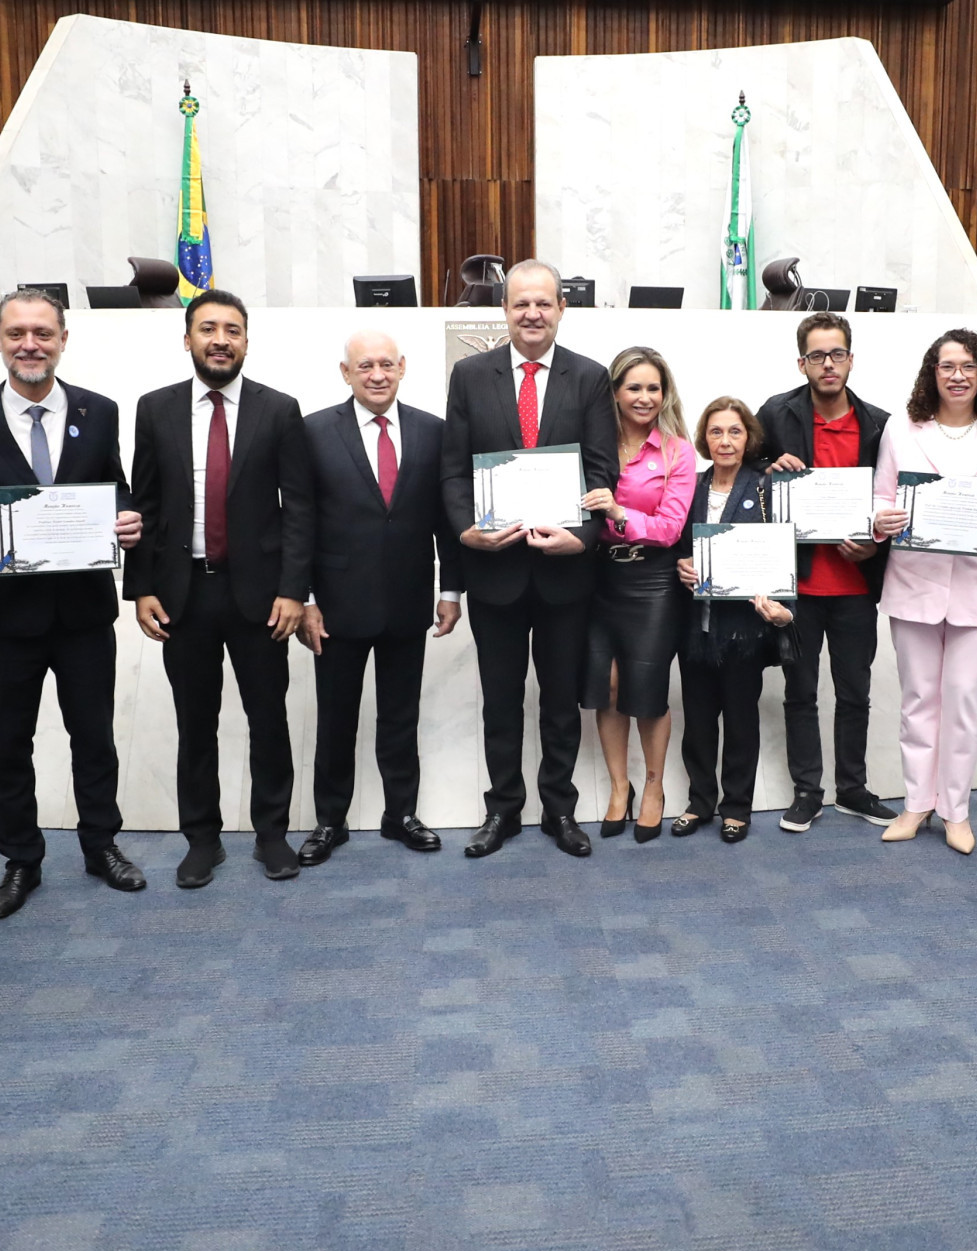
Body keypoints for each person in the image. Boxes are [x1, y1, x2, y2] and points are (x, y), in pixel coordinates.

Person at [0, 289, 148, 920]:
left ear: (63, 340)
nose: (31, 344)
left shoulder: (99, 411)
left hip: (83, 612)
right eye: (18, 333)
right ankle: (21, 859)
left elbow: (117, 486)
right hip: (4, 617)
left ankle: (101, 844)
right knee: (8, 742)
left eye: (43, 333)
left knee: (94, 736)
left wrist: (127, 516)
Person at [125, 289, 316, 888]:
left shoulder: (279, 410)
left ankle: (272, 836)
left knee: (269, 719)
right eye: (207, 328)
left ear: (246, 342)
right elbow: (145, 506)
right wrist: (141, 588)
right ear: (187, 338)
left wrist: (294, 590)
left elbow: (299, 509)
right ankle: (201, 840)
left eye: (232, 330)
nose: (220, 339)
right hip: (185, 594)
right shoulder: (154, 409)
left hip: (260, 596)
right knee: (195, 722)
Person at [439, 259, 617, 858]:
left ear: (561, 309)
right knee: (501, 700)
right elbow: (454, 469)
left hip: (566, 571)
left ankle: (560, 810)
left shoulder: (590, 378)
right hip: (496, 572)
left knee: (560, 701)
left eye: (544, 304)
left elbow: (602, 471)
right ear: (505, 311)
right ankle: (503, 811)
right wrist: (466, 531)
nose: (533, 314)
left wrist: (586, 536)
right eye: (521, 304)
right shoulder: (469, 375)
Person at [296, 329, 460, 864]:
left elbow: (446, 520)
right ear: (346, 373)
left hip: (408, 601)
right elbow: (300, 522)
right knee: (335, 718)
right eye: (364, 366)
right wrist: (305, 598)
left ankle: (401, 814)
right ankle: (329, 821)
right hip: (336, 606)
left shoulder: (433, 432)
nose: (377, 375)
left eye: (386, 364)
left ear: (403, 367)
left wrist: (451, 590)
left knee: (400, 716)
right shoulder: (314, 431)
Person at [870, 329, 977, 855]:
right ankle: (917, 803)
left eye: (967, 365)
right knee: (919, 700)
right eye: (947, 366)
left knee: (963, 700)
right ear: (932, 374)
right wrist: (883, 519)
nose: (957, 375)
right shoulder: (902, 429)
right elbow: (879, 498)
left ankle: (955, 811)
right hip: (915, 583)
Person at [751, 312, 898, 833]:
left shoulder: (880, 424)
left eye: (837, 354)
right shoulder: (775, 414)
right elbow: (744, 477)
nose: (828, 364)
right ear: (802, 362)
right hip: (800, 583)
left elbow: (893, 502)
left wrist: (874, 546)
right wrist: (768, 471)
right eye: (818, 355)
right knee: (800, 692)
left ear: (851, 359)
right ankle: (808, 791)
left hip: (857, 585)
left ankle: (853, 789)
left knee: (855, 691)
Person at [580, 346, 697, 842]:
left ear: (664, 393)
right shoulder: (593, 444)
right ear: (614, 392)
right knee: (606, 686)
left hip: (654, 581)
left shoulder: (678, 452)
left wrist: (620, 514)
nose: (645, 397)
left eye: (654, 388)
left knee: (646, 692)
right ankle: (619, 787)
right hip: (597, 578)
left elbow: (671, 529)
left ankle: (654, 787)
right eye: (634, 387)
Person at [672, 397, 794, 842]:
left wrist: (785, 609)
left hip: (744, 628)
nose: (726, 440)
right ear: (704, 438)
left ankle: (736, 806)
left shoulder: (765, 487)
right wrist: (680, 565)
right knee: (698, 722)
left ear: (749, 438)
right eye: (717, 432)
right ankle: (700, 802)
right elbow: (674, 542)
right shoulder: (690, 486)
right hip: (696, 625)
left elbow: (784, 552)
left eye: (735, 431)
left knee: (741, 720)